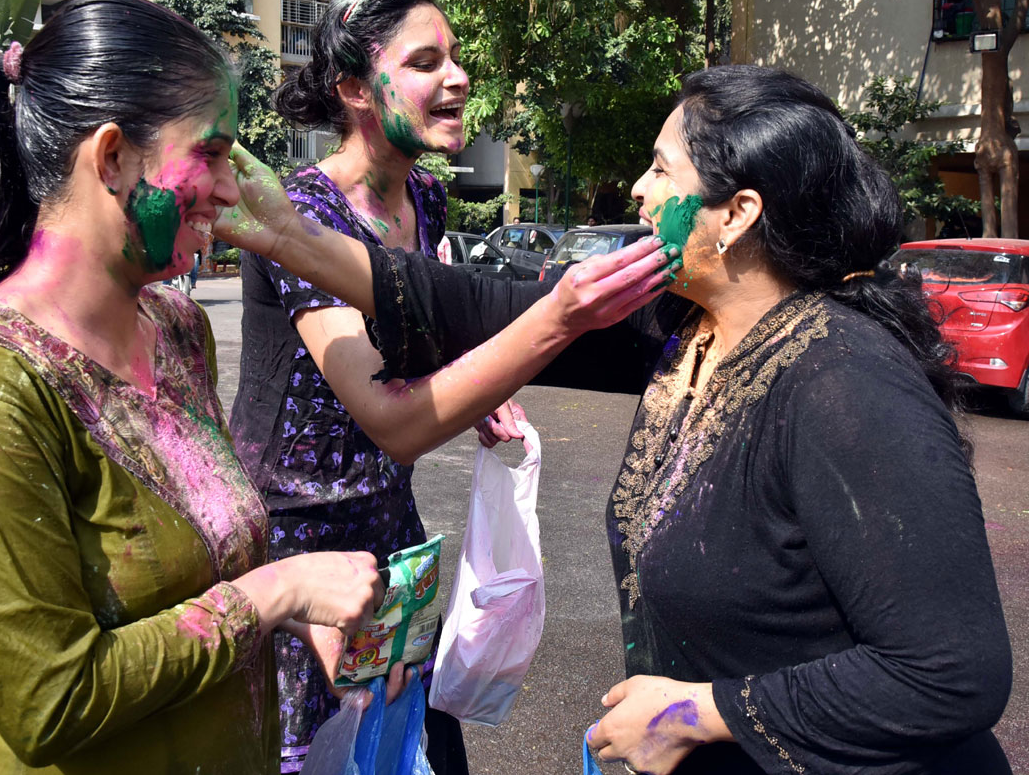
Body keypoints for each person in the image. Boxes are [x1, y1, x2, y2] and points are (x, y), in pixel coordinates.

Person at [234, 66, 1014, 774]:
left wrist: (695, 713)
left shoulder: (847, 382)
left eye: (661, 170)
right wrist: (288, 235)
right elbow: (467, 301)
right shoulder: (680, 330)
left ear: (737, 214)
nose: (637, 191)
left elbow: (950, 673)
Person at [0, 0, 396, 775]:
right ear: (113, 156)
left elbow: (197, 570)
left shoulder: (178, 330)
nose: (233, 190)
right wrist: (275, 595)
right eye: (214, 153)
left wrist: (296, 617)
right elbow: (50, 700)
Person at [231, 0, 525, 775]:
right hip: (297, 552)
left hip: (388, 534)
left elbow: (422, 338)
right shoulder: (302, 216)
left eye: (455, 57)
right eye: (427, 61)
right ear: (356, 88)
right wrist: (554, 326)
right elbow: (387, 412)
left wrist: (476, 399)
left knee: (414, 752)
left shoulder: (423, 200)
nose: (458, 77)